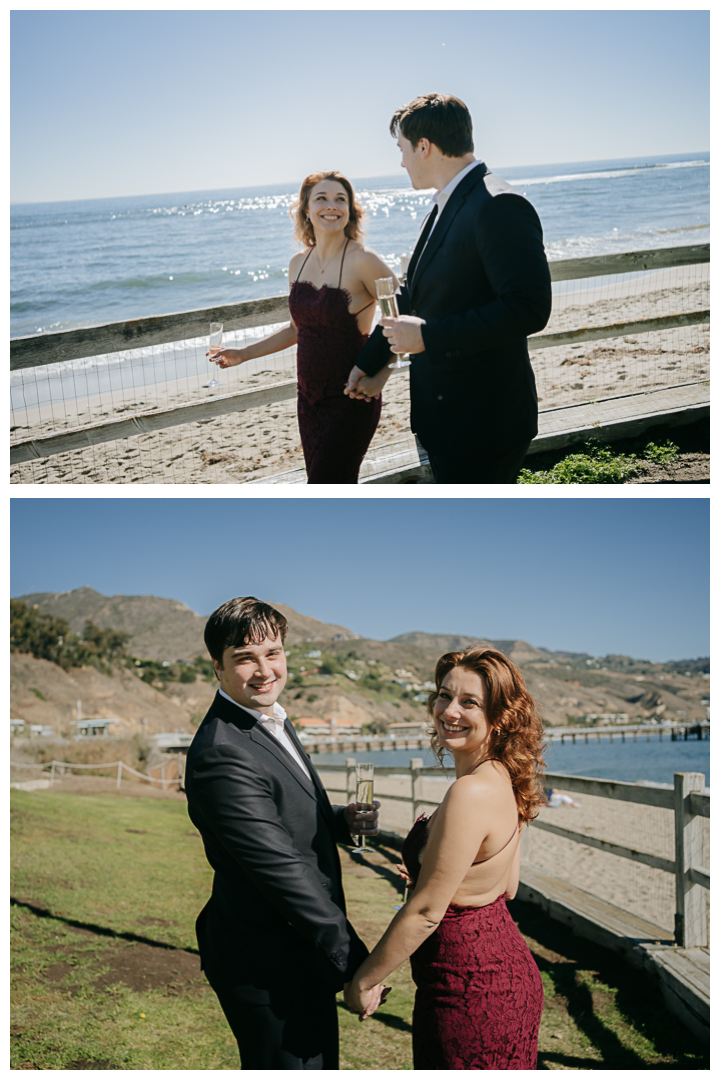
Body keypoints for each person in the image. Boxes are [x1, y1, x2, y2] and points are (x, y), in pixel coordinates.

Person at [184, 596, 382, 1068]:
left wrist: (340, 820)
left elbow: (281, 813)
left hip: (297, 954)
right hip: (267, 963)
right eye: (244, 658)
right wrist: (356, 963)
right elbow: (279, 870)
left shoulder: (267, 719)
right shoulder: (221, 752)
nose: (264, 669)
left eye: (272, 653)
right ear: (218, 667)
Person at [344, 646, 547, 1069]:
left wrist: (364, 980)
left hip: (471, 988)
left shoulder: (470, 792)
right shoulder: (504, 779)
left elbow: (425, 914)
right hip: (502, 972)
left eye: (469, 702)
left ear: (501, 716)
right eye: (443, 695)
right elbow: (505, 887)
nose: (449, 711)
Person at [345, 93, 553, 484]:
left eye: (402, 149)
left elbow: (528, 307)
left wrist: (428, 337)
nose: (401, 161)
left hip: (483, 421)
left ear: (424, 147)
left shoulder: (499, 204)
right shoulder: (444, 204)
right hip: (443, 416)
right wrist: (369, 360)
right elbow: (412, 293)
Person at [207, 171, 397, 483]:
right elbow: (299, 328)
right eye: (321, 198)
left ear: (351, 210)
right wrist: (243, 354)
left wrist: (381, 376)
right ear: (306, 210)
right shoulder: (298, 263)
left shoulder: (365, 260)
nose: (331, 206)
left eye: (340, 199)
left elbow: (404, 318)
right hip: (308, 399)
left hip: (352, 395)